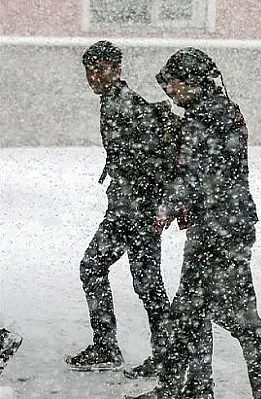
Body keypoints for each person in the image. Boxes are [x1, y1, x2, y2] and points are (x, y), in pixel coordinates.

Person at [128, 48, 261, 399]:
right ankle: (213, 388)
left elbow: (199, 175)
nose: (171, 92)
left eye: (176, 85)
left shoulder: (209, 116)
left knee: (205, 310)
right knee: (202, 311)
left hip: (220, 228)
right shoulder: (216, 112)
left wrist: (165, 206)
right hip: (224, 223)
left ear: (193, 82)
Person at [66, 41, 172, 375]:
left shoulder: (125, 105)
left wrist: (149, 202)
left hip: (136, 210)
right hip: (126, 208)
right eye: (90, 70)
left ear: (117, 70)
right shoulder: (112, 102)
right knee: (106, 271)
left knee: (143, 282)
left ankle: (160, 353)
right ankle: (114, 346)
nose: (94, 76)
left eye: (102, 69)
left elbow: (155, 159)